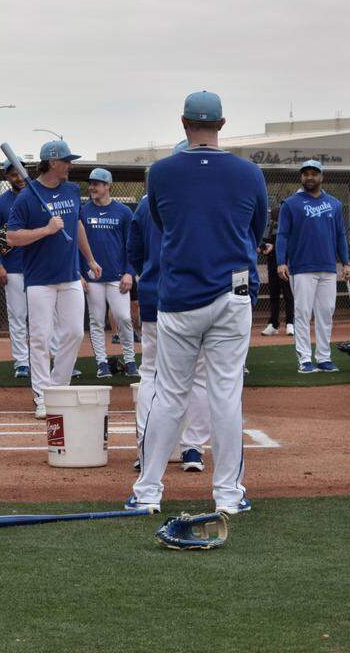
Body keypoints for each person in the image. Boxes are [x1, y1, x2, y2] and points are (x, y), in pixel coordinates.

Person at [130, 90, 266, 515]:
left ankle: (148, 492)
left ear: (184, 123)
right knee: (226, 395)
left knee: (169, 396)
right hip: (232, 293)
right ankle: (228, 495)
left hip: (179, 296)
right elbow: (256, 230)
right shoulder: (249, 173)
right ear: (221, 125)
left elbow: (162, 223)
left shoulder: (161, 173)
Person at [128, 141, 211, 474]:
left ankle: (149, 449)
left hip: (154, 294)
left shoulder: (147, 204)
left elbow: (134, 255)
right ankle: (192, 449)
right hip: (196, 296)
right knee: (199, 377)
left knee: (152, 374)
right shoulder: (205, 201)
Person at [6, 140, 102, 420]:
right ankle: (41, 396)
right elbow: (12, 237)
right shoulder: (27, 197)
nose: (71, 165)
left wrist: (91, 259)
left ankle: (57, 390)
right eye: (67, 161)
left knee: (73, 332)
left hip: (70, 274)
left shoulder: (72, 190)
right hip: (39, 279)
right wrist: (46, 230)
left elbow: (78, 225)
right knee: (40, 338)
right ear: (53, 162)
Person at [275, 160, 350, 373]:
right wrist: (281, 261)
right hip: (301, 267)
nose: (309, 177)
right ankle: (305, 360)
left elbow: (340, 236)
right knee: (302, 313)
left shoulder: (335, 204)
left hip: (328, 267)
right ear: (301, 177)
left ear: (321, 177)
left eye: (314, 173)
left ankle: (324, 358)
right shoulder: (290, 203)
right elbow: (283, 235)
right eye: (305, 174)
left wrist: (346, 262)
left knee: (326, 313)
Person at [80, 168, 137, 378]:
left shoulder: (123, 212)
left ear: (107, 186)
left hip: (117, 276)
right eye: (91, 183)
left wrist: (130, 272)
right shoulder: (83, 211)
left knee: (123, 317)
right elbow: (77, 246)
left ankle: (130, 361)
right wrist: (79, 273)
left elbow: (132, 246)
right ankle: (102, 363)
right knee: (96, 320)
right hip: (92, 278)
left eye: (97, 183)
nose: (92, 187)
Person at [0, 156, 29, 377]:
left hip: (40, 268)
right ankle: (21, 362)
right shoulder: (0, 204)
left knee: (48, 318)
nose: (18, 177)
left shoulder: (38, 197)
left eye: (20, 172)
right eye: (13, 174)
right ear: (6, 177)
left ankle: (56, 359)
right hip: (13, 268)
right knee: (18, 316)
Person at [260, 204, 294, 337]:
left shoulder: (289, 227)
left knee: (288, 294)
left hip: (286, 264)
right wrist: (263, 247)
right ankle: (273, 324)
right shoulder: (270, 227)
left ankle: (290, 324)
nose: (273, 218)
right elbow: (264, 243)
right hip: (272, 264)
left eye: (275, 216)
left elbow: (288, 243)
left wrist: (274, 246)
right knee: (274, 294)